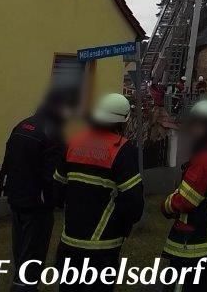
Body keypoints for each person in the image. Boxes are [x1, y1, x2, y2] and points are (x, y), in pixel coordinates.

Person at [54, 93, 144, 291]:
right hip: (102, 248)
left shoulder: (74, 143)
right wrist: (122, 226)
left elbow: (57, 190)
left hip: (69, 242)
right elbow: (134, 203)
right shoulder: (122, 149)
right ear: (123, 121)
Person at [3, 87, 69, 290]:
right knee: (32, 259)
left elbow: (7, 163)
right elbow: (53, 176)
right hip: (37, 206)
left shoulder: (22, 125)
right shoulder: (53, 133)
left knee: (21, 254)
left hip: (16, 200)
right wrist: (54, 200)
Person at [160, 98, 207, 290]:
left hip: (191, 246)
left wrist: (166, 205)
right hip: (198, 244)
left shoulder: (205, 159)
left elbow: (186, 200)